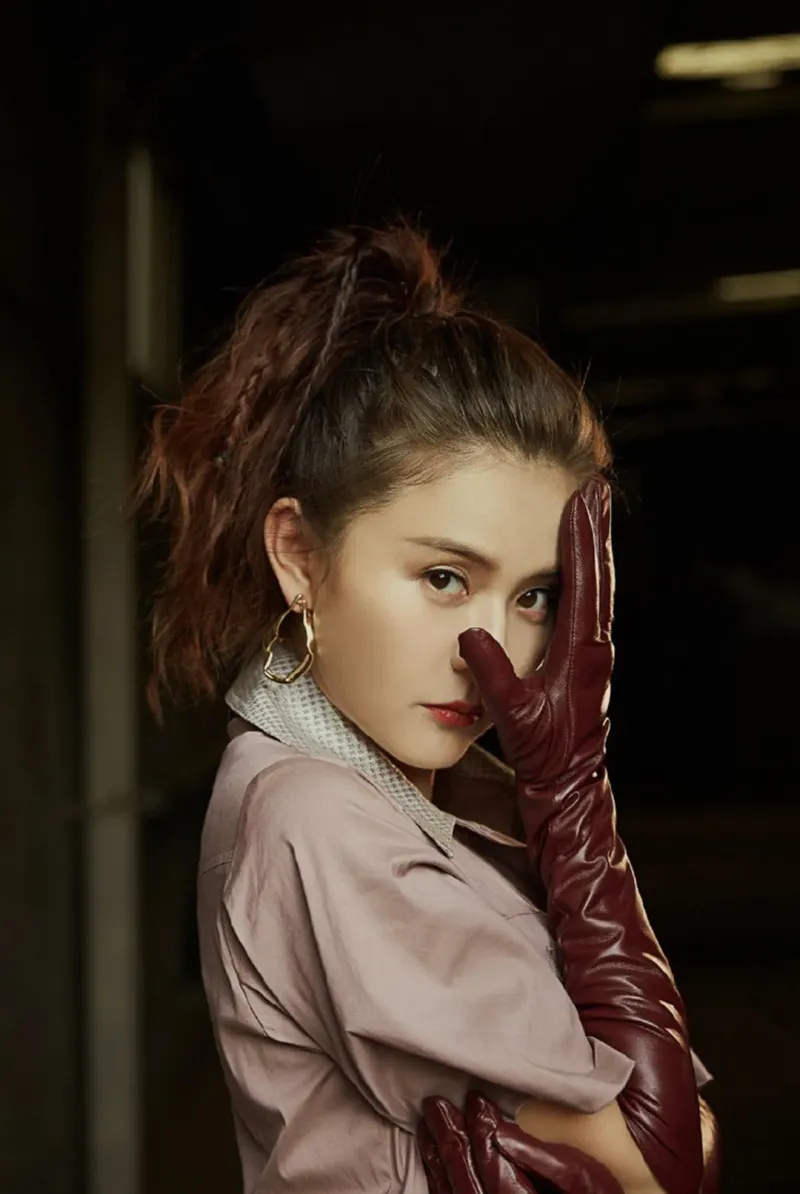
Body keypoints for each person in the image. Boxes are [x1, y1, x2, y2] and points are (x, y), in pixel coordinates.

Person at [136, 224, 719, 1194]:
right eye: (445, 577)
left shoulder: (441, 792)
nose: (492, 655)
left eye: (536, 596)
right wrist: (573, 796)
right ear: (298, 555)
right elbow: (669, 1154)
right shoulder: (320, 819)